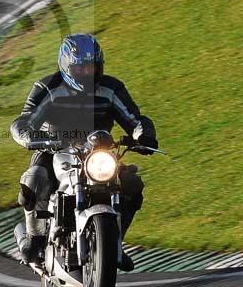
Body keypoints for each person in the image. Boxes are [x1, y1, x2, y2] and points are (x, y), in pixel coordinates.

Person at [10, 33, 159, 272]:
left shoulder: (112, 88)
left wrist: (143, 136)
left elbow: (135, 119)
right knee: (34, 179)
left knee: (131, 184)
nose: (87, 73)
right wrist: (30, 136)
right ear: (67, 67)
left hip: (97, 152)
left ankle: (115, 243)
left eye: (92, 68)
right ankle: (33, 238)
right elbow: (23, 121)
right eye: (80, 68)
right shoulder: (48, 87)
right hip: (53, 148)